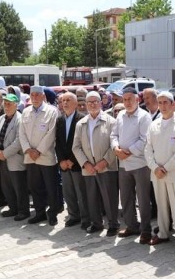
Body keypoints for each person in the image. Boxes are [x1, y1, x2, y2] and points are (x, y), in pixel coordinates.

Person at [144, 91, 175, 252]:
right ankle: (163, 233)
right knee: (161, 205)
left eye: (166, 102)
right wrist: (155, 167)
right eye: (160, 102)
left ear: (173, 104)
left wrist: (165, 168)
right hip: (157, 174)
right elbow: (147, 149)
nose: (163, 106)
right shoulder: (154, 124)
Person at [73, 91, 119, 235]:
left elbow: (115, 145)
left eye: (95, 101)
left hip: (106, 166)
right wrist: (85, 163)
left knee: (109, 197)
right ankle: (96, 223)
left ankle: (113, 224)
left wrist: (104, 161)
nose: (92, 104)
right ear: (86, 105)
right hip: (89, 168)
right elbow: (76, 147)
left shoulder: (111, 121)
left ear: (101, 103)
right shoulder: (81, 123)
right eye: (89, 102)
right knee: (91, 197)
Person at [110, 87, 153, 243]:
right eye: (125, 99)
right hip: (123, 164)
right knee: (126, 197)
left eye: (130, 99)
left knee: (142, 199)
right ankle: (131, 226)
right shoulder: (120, 115)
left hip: (139, 164)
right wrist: (115, 148)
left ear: (137, 100)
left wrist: (128, 152)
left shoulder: (144, 116)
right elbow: (113, 135)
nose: (127, 102)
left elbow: (145, 139)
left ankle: (146, 230)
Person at [19, 85, 60, 226]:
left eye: (38, 95)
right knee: (34, 186)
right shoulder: (25, 112)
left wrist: (39, 150)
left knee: (50, 186)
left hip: (46, 155)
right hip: (30, 157)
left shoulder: (52, 111)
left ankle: (53, 212)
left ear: (43, 96)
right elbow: (21, 133)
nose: (35, 97)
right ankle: (39, 212)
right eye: (33, 95)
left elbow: (52, 133)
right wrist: (28, 150)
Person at [0, 94, 30, 221]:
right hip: (1, 159)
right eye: (5, 103)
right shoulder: (1, 118)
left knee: (19, 187)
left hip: (14, 159)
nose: (6, 106)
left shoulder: (20, 119)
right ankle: (13, 208)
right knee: (7, 186)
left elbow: (19, 141)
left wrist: (4, 153)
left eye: (9, 104)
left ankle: (23, 211)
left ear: (16, 105)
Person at [55, 92, 89, 229]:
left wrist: (72, 160)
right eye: (63, 100)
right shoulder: (59, 120)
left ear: (75, 104)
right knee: (68, 192)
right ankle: (73, 215)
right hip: (64, 164)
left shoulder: (82, 119)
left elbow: (82, 143)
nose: (65, 102)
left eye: (68, 100)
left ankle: (86, 218)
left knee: (81, 192)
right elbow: (57, 142)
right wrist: (62, 160)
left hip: (77, 163)